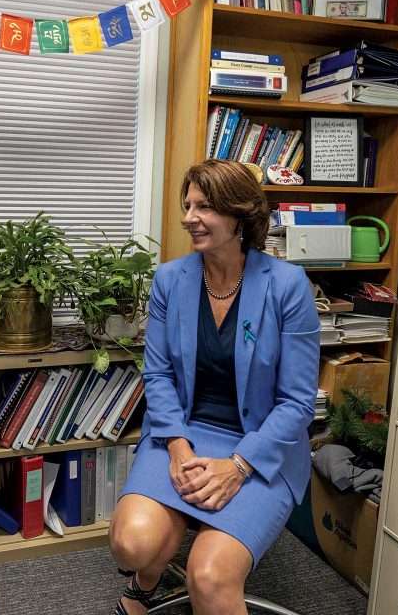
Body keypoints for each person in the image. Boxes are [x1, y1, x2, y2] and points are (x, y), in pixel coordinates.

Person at [109, 159, 319, 615]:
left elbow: (298, 403)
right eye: (188, 205)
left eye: (203, 206)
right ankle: (147, 580)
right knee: (130, 544)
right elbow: (159, 375)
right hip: (183, 432)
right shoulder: (170, 279)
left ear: (238, 214)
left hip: (260, 445)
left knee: (209, 576)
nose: (189, 217)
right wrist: (179, 449)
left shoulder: (287, 286)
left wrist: (239, 466)